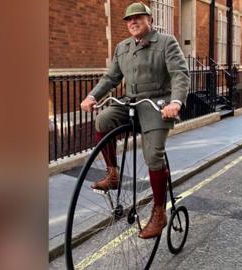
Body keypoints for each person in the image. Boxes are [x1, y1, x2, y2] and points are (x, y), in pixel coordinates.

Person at [80, 2, 190, 239]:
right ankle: (113, 173)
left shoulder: (166, 42)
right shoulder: (122, 47)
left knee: (153, 156)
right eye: (129, 20)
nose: (132, 22)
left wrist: (176, 102)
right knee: (103, 120)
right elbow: (111, 77)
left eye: (137, 18)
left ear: (149, 19)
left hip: (157, 104)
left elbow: (180, 74)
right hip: (131, 101)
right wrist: (92, 96)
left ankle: (159, 212)